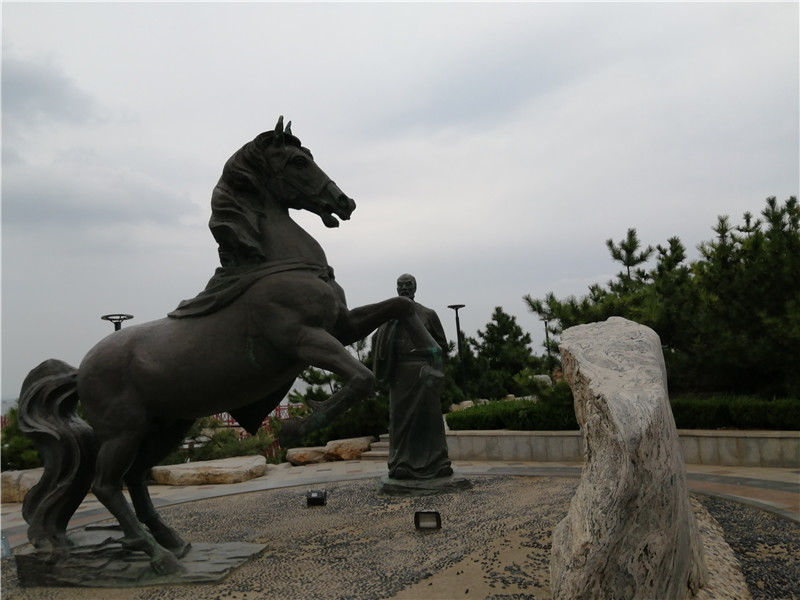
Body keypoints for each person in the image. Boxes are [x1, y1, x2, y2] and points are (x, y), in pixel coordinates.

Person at [372, 274, 453, 480]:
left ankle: (437, 463)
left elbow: (442, 346)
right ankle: (402, 464)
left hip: (424, 374)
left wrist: (432, 367)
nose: (404, 289)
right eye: (400, 285)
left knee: (429, 420)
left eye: (408, 285)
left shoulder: (428, 314)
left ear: (415, 287)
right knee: (400, 421)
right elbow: (377, 340)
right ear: (396, 289)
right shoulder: (390, 316)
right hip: (399, 376)